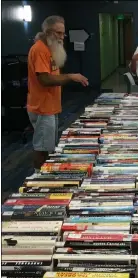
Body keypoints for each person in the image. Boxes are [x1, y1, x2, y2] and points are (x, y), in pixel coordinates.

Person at [27, 15, 89, 173]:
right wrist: (70, 76)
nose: (62, 37)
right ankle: (37, 178)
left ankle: (46, 174)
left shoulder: (50, 47)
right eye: (58, 33)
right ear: (48, 32)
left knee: (48, 145)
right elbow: (45, 79)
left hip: (50, 105)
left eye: (63, 33)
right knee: (41, 146)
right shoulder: (40, 49)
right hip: (42, 106)